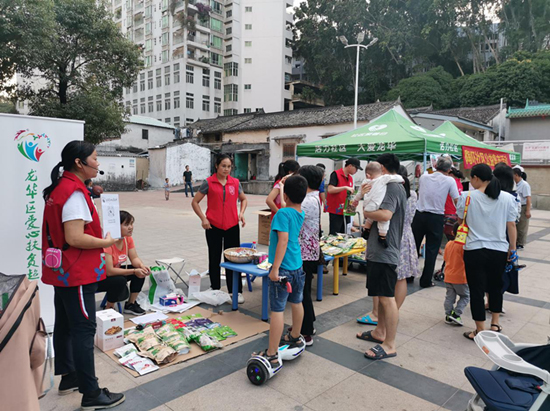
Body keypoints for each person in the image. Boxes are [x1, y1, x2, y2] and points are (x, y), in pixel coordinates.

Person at [41, 141, 125, 409]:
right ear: (80, 162)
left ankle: (69, 377)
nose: (98, 163)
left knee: (66, 324)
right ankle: (91, 393)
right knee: (84, 329)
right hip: (76, 271)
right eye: (95, 158)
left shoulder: (61, 187)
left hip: (62, 270)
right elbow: (75, 237)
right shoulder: (74, 192)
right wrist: (105, 242)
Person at [458, 164, 518, 341]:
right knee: (496, 287)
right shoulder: (507, 198)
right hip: (498, 250)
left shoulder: (466, 197)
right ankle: (495, 323)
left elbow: (461, 220)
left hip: (474, 249)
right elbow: (511, 225)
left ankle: (479, 330)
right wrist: (512, 248)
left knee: (476, 289)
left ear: (476, 178)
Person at [356, 153, 406, 361]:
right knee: (382, 295)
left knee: (387, 298)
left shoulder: (393, 187)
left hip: (386, 250)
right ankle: (379, 332)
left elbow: (385, 214)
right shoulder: (386, 186)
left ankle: (390, 344)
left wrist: (367, 212)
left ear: (383, 168)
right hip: (378, 249)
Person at [253, 175, 307, 366]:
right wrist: (283, 188)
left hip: (283, 268)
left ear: (288, 195)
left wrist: (274, 269)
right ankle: (294, 335)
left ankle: (272, 353)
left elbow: (282, 241)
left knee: (277, 310)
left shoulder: (282, 215)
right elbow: (286, 203)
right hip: (297, 266)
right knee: (297, 302)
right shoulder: (299, 212)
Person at [357, 165, 418, 326]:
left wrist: (367, 213)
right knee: (401, 277)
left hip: (391, 237)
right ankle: (392, 313)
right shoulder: (412, 194)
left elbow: (383, 215)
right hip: (406, 236)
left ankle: (383, 316)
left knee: (385, 289)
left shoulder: (390, 191)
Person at [192, 154, 248, 303]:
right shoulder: (208, 183)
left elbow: (243, 199)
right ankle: (215, 288)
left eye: (229, 166)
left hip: (232, 226)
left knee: (233, 259)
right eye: (223, 166)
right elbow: (195, 202)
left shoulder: (235, 183)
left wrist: (241, 213)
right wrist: (203, 219)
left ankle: (235, 290)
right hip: (213, 226)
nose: (226, 169)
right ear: (216, 166)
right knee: (214, 257)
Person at [412, 156, 459, 288]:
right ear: (449, 169)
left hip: (419, 215)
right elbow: (456, 199)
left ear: (436, 166)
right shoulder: (450, 180)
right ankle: (425, 280)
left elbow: (425, 179)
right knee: (432, 250)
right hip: (436, 217)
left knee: (414, 245)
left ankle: (408, 275)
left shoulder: (424, 177)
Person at [96, 210, 151, 316]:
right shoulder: (108, 242)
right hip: (100, 278)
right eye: (126, 224)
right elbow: (109, 271)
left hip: (115, 273)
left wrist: (142, 266)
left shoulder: (127, 239)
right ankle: (109, 308)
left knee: (140, 273)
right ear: (116, 226)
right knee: (119, 280)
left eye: (131, 224)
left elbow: (134, 258)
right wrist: (134, 271)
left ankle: (131, 304)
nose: (131, 227)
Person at [296, 165, 324, 346]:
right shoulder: (313, 198)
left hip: (305, 252)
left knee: (302, 292)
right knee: (305, 289)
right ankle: (309, 324)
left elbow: (290, 213)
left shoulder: (306, 201)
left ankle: (305, 333)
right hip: (310, 250)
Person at [354, 162, 403, 247]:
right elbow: (396, 177)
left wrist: (356, 200)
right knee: (383, 221)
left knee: (369, 218)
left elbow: (359, 194)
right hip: (377, 204)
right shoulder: (383, 179)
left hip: (368, 205)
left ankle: (366, 230)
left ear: (367, 175)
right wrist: (402, 180)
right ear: (381, 172)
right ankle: (382, 237)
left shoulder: (365, 182)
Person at [443, 223, 470, 326]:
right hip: (461, 277)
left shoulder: (449, 244)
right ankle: (456, 314)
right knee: (465, 296)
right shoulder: (464, 246)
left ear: (452, 232)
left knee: (449, 297)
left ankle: (448, 314)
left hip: (448, 276)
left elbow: (446, 258)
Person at [326, 158, 362, 234]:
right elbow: (330, 189)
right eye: (356, 168)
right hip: (336, 210)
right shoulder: (335, 174)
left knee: (344, 232)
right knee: (335, 233)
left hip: (347, 210)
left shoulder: (350, 178)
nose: (356, 171)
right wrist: (344, 187)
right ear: (350, 166)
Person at [513, 167, 531, 249]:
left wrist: (528, 211)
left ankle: (521, 243)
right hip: (516, 206)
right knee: (516, 225)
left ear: (516, 175)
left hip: (523, 207)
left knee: (522, 226)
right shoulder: (514, 184)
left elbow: (528, 198)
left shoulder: (524, 185)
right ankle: (516, 242)